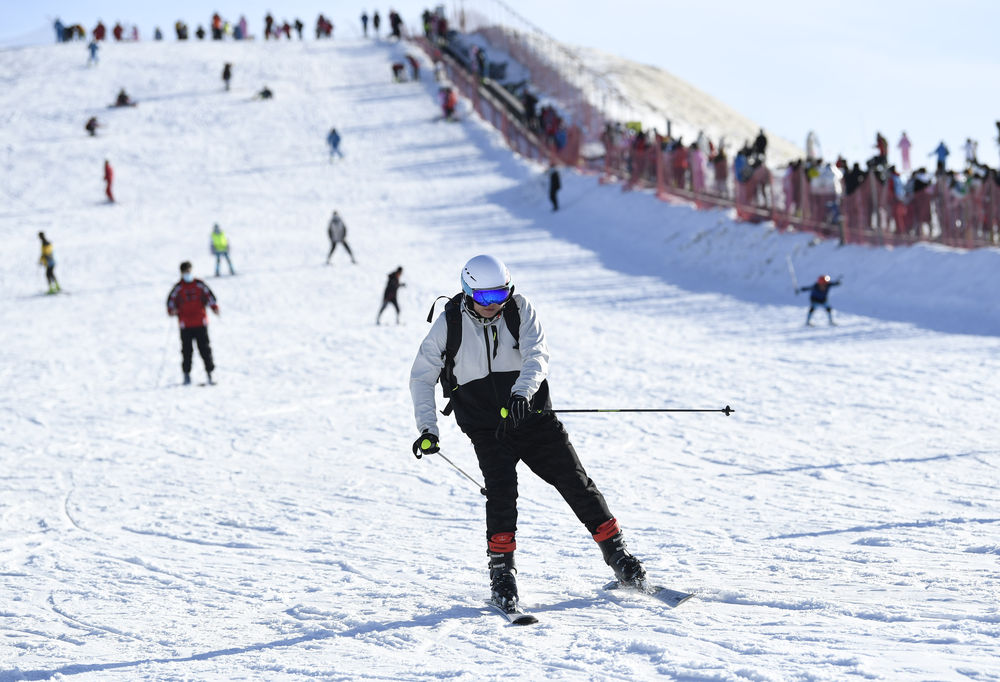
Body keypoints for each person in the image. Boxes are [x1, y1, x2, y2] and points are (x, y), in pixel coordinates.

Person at [409, 255, 647, 614]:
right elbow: (421, 376)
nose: (494, 306)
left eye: (501, 295)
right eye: (485, 298)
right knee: (502, 495)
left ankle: (617, 554)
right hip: (486, 428)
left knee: (575, 481)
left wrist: (522, 393)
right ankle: (502, 574)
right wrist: (428, 428)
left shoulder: (519, 310)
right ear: (468, 291)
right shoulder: (450, 322)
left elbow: (537, 355)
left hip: (531, 417)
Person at [166, 261, 219, 385]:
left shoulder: (199, 285)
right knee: (187, 351)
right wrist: (171, 310)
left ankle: (210, 373)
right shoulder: (178, 288)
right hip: (185, 325)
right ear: (181, 273)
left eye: (189, 271)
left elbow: (210, 296)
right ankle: (186, 374)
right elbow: (170, 302)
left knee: (205, 349)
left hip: (200, 322)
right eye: (185, 272)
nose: (188, 274)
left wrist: (214, 307)